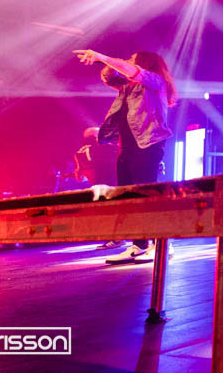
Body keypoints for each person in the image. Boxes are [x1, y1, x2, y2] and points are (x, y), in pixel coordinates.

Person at [74, 48, 177, 264]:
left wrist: (103, 56)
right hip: (127, 144)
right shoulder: (127, 85)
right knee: (127, 196)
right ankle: (139, 245)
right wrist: (101, 62)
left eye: (132, 59)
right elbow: (109, 77)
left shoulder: (155, 80)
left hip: (148, 142)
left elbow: (133, 71)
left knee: (146, 195)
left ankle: (160, 244)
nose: (128, 60)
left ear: (145, 63)